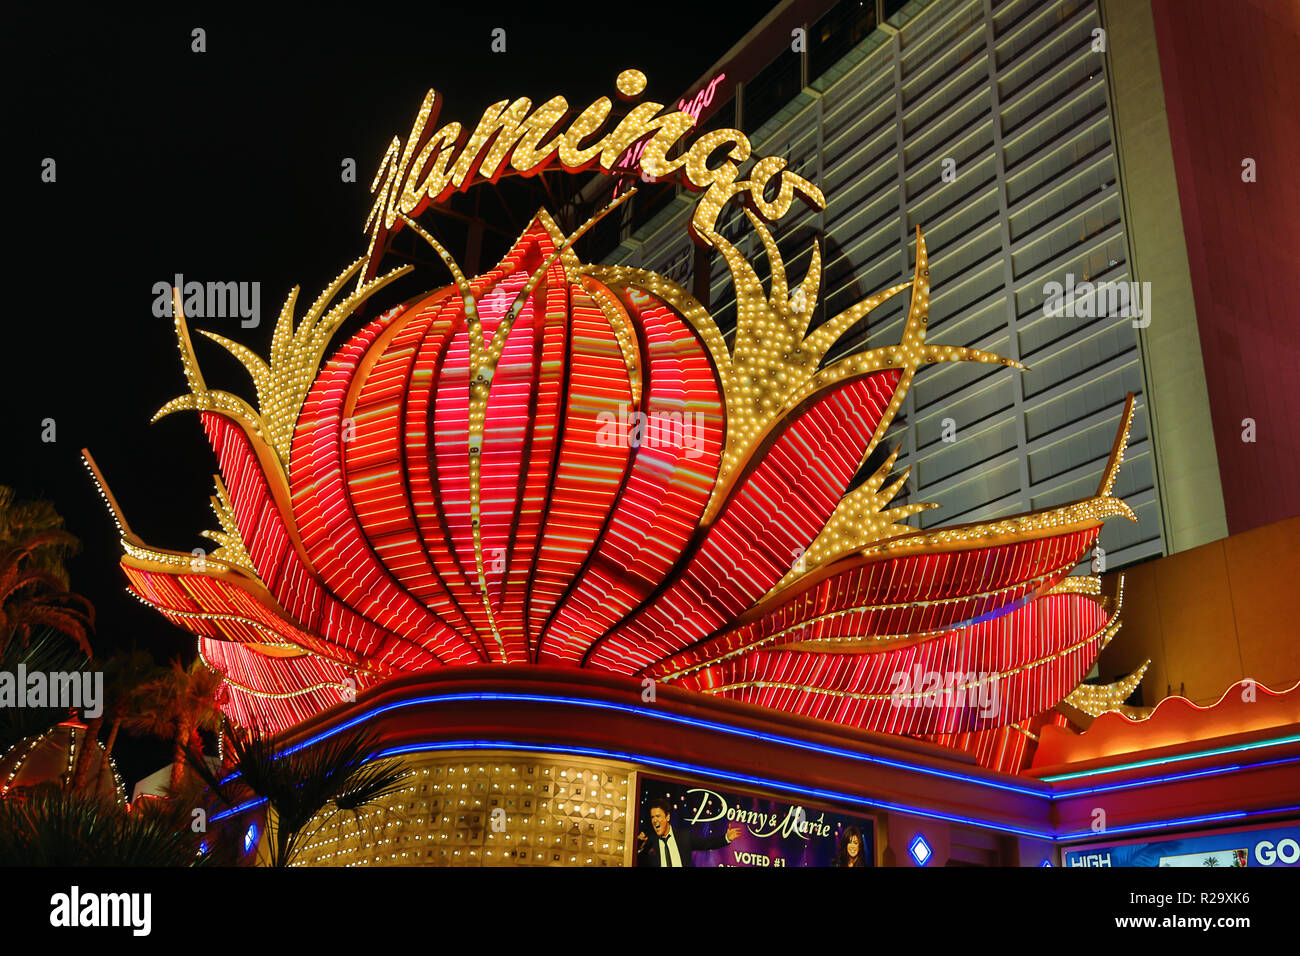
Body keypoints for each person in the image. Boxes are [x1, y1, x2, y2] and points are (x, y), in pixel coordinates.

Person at [636, 797, 741, 867]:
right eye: (652, 817)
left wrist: (726, 838)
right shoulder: (650, 841)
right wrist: (638, 845)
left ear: (667, 817)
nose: (654, 820)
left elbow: (706, 843)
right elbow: (637, 859)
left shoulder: (684, 837)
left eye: (658, 816)